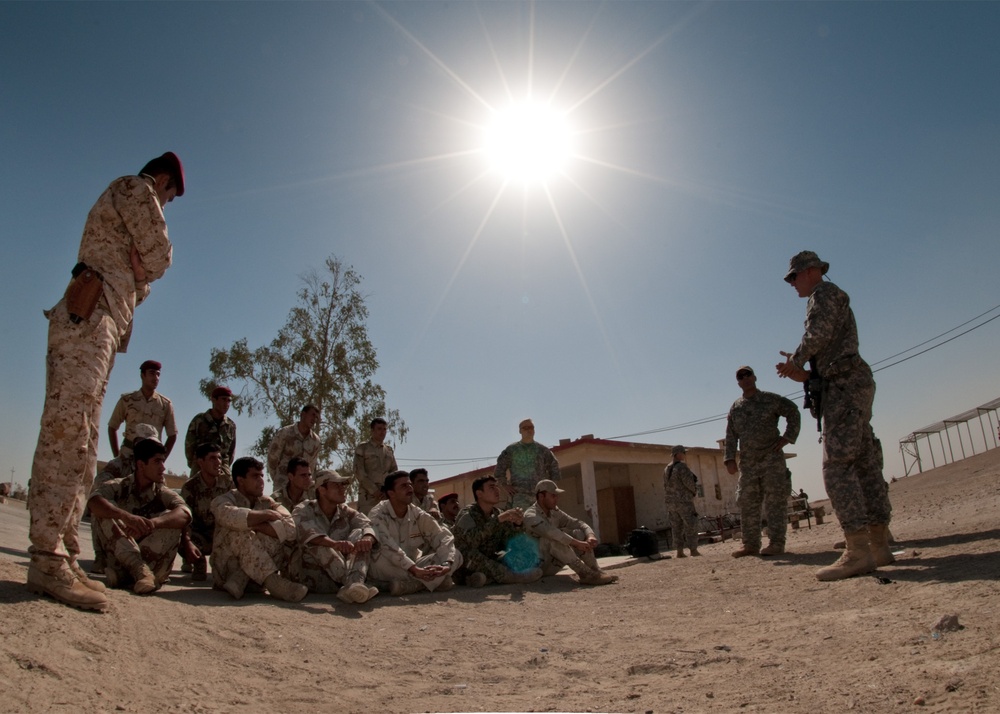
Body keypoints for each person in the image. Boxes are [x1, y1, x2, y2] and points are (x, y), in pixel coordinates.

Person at [27, 151, 183, 612]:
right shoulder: (138, 189)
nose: (166, 205)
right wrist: (142, 269)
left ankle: (64, 553)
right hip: (89, 316)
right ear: (164, 180)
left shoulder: (131, 203)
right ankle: (46, 557)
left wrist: (140, 275)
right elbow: (159, 259)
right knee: (67, 432)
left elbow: (145, 280)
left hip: (101, 325)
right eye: (170, 196)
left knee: (85, 438)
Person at [776, 250, 893, 581]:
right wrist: (805, 368)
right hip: (849, 382)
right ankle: (878, 545)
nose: (791, 283)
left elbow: (818, 334)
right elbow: (827, 345)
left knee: (837, 467)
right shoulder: (830, 295)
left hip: (844, 386)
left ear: (811, 271)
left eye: (794, 276)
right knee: (865, 461)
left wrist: (797, 359)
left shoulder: (823, 293)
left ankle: (858, 551)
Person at [88, 437, 191, 595]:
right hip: (119, 556)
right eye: (157, 462)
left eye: (163, 462)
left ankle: (125, 576)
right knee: (108, 510)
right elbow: (94, 501)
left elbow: (185, 513)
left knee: (170, 519)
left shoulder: (162, 492)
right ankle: (139, 571)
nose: (163, 468)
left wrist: (152, 523)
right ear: (141, 465)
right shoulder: (119, 486)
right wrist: (126, 517)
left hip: (149, 559)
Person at [724, 365, 801, 557]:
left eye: (748, 374)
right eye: (740, 376)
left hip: (771, 458)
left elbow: (793, 411)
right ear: (738, 382)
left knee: (775, 501)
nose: (745, 378)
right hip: (748, 463)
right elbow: (731, 434)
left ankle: (776, 543)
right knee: (748, 502)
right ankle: (750, 544)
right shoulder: (736, 407)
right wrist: (729, 459)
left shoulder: (770, 399)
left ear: (755, 377)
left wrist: (788, 437)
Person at [210, 457, 306, 603]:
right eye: (255, 476)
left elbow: (290, 530)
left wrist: (256, 525)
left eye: (262, 476)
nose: (261, 481)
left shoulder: (268, 502)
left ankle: (240, 579)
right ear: (240, 480)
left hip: (255, 579)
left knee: (271, 534)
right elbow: (232, 517)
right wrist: (265, 516)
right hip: (226, 571)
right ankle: (273, 582)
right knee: (240, 530)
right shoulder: (223, 501)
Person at [288, 469, 379, 604]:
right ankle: (353, 584)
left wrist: (367, 538)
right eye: (336, 485)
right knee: (319, 544)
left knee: (361, 534)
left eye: (343, 485)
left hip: (338, 577)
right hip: (310, 576)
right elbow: (309, 534)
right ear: (322, 490)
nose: (343, 489)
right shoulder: (304, 509)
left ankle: (354, 586)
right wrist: (334, 544)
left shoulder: (344, 510)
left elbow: (367, 524)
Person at [368, 471, 462, 596]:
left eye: (410, 485)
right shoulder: (378, 513)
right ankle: (430, 582)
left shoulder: (416, 512)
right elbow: (388, 547)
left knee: (456, 554)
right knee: (380, 561)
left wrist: (446, 564)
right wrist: (414, 569)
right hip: (389, 566)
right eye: (404, 486)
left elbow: (441, 535)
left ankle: (413, 585)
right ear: (391, 493)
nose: (410, 489)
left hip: (413, 566)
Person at [90, 422, 159, 574]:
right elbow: (100, 485)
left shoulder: (154, 468)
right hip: (120, 516)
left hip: (139, 522)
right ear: (135, 443)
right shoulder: (118, 464)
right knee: (103, 504)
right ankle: (101, 557)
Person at [523, 480, 617, 585]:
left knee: (577, 532)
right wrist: (577, 543)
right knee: (552, 538)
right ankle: (584, 573)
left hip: (553, 563)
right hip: (536, 567)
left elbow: (578, 523)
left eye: (556, 496)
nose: (556, 499)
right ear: (541, 496)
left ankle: (595, 571)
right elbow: (552, 533)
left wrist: (590, 536)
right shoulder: (530, 515)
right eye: (553, 496)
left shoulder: (554, 512)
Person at [454, 476, 542, 587]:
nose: (497, 490)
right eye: (491, 487)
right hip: (466, 564)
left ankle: (480, 579)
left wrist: (517, 524)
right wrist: (498, 520)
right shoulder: (467, 515)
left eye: (497, 487)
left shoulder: (498, 513)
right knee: (468, 554)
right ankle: (509, 576)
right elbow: (471, 542)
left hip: (491, 560)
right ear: (479, 493)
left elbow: (511, 541)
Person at [179, 443, 233, 581]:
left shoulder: (228, 483)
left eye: (219, 458)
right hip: (199, 535)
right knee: (178, 535)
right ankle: (198, 561)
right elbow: (185, 519)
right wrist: (187, 542)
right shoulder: (190, 487)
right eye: (212, 458)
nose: (218, 463)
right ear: (200, 462)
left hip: (222, 535)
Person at [107, 360, 178, 459]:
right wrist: (117, 457)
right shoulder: (127, 400)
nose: (156, 378)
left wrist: (161, 459)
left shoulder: (165, 404)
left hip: (151, 458)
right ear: (142, 375)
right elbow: (112, 427)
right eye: (152, 373)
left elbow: (172, 435)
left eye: (158, 374)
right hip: (128, 454)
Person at [494, 418, 560, 509]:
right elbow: (499, 469)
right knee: (521, 521)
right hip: (520, 496)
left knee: (542, 522)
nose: (529, 430)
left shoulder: (542, 450)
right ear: (520, 431)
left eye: (531, 427)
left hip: (540, 496)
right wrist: (504, 485)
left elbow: (554, 467)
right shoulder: (512, 450)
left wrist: (551, 488)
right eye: (525, 428)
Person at [185, 387, 237, 480]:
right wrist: (195, 463)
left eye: (229, 401)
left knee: (227, 490)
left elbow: (231, 452)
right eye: (223, 400)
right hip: (200, 466)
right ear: (213, 400)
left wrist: (222, 464)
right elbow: (189, 446)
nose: (227, 404)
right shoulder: (199, 420)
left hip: (222, 468)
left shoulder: (230, 425)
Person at [266, 405, 321, 492]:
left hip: (303, 488)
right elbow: (272, 458)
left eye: (317, 417)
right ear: (303, 414)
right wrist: (278, 478)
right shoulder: (285, 433)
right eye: (313, 415)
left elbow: (312, 465)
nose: (315, 419)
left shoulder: (315, 440)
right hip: (282, 485)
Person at [353, 417, 398, 514]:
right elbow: (359, 472)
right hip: (368, 496)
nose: (382, 432)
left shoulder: (389, 450)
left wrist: (388, 490)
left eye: (384, 429)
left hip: (386, 496)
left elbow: (394, 472)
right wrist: (374, 491)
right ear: (372, 431)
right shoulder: (363, 448)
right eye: (379, 429)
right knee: (367, 524)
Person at [663, 446, 700, 558]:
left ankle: (679, 551)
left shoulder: (666, 469)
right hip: (684, 502)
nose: (684, 455)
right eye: (684, 453)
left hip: (671, 503)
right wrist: (694, 492)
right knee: (691, 524)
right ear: (678, 454)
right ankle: (693, 550)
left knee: (676, 527)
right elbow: (689, 483)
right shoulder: (682, 467)